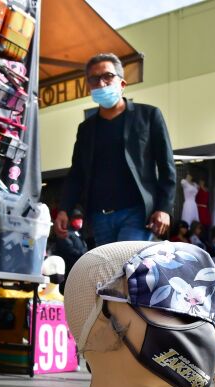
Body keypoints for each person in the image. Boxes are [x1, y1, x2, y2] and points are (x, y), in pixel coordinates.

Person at [54, 53, 176, 245]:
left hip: (137, 213)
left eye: (107, 76)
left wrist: (164, 208)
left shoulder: (149, 116)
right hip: (99, 217)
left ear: (122, 83)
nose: (101, 83)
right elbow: (76, 173)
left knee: (126, 266)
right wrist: (64, 209)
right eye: (94, 79)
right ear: (89, 86)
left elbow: (167, 165)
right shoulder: (86, 129)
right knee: (109, 273)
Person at [53, 209, 89, 286]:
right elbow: (68, 250)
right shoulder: (65, 233)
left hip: (79, 268)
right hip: (68, 269)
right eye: (76, 217)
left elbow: (84, 246)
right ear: (70, 219)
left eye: (80, 218)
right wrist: (83, 254)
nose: (79, 220)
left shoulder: (79, 234)